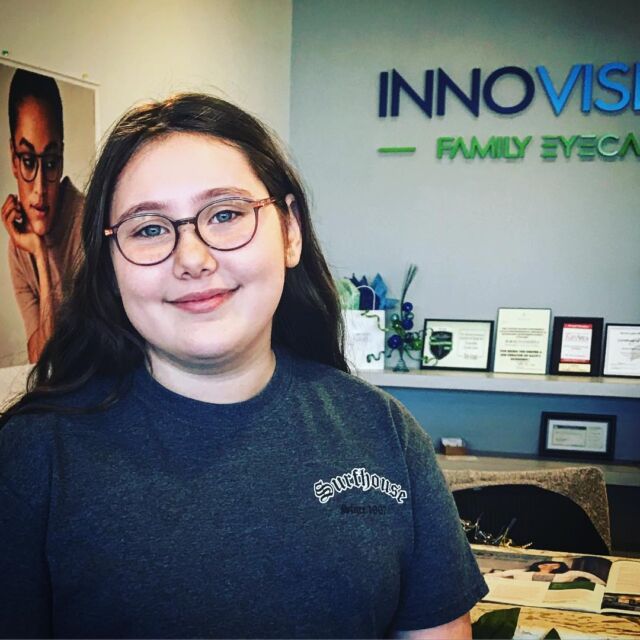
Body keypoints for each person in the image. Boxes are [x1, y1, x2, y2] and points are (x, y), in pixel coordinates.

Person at [0, 93, 487, 638]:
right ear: (110, 266)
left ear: (290, 232)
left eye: (226, 214)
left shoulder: (384, 434)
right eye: (149, 228)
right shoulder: (35, 458)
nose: (192, 259)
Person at [1, 68, 84, 363]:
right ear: (13, 159)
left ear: (61, 159)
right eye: (27, 160)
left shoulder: (86, 223)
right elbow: (40, 358)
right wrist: (38, 254)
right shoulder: (19, 248)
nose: (39, 188)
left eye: (50, 163)